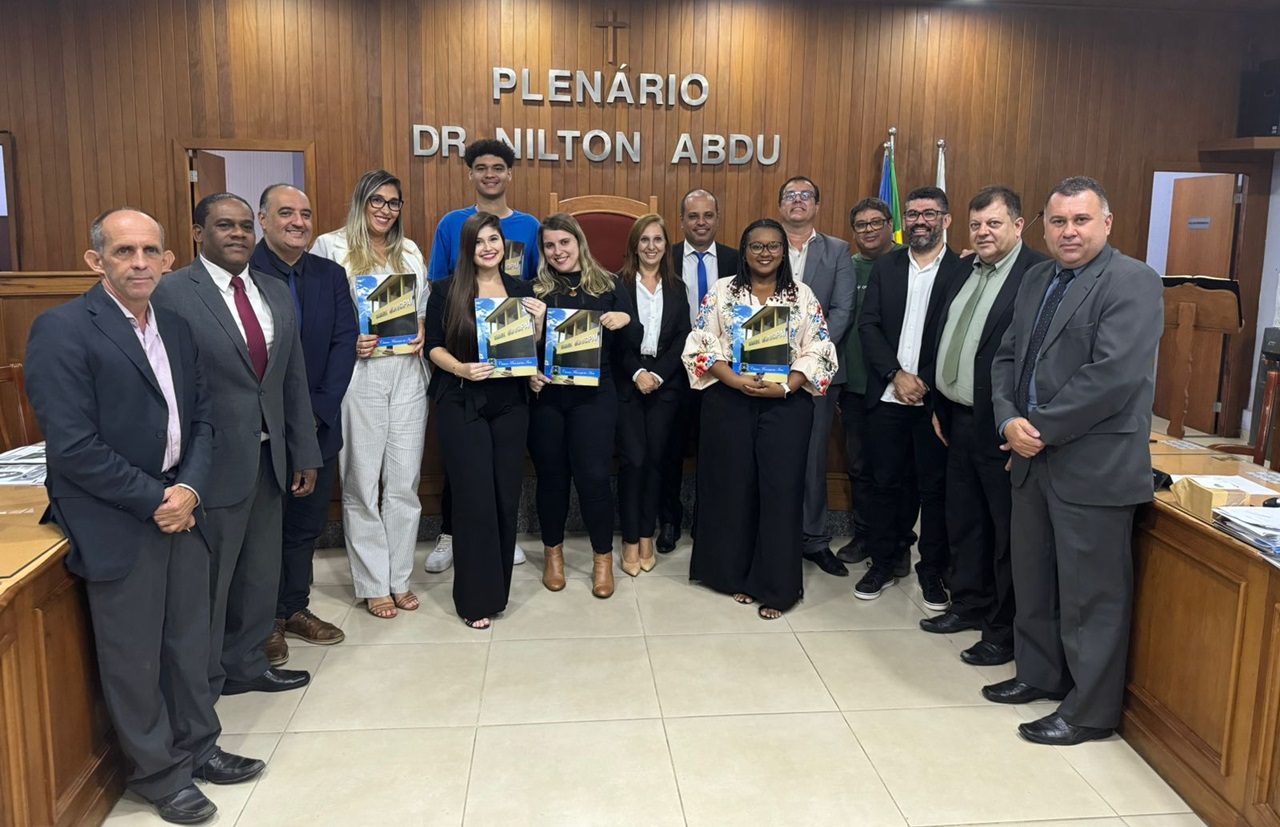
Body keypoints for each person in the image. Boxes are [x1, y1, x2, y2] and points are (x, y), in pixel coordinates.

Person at [26, 208, 265, 825]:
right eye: (124, 251)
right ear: (96, 260)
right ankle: (160, 774)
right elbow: (73, 447)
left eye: (150, 251)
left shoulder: (175, 327)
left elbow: (204, 419)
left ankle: (200, 747)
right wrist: (154, 499)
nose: (139, 263)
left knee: (189, 641)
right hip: (117, 516)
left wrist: (187, 489)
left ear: (167, 258)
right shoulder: (62, 329)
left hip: (180, 506)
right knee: (134, 655)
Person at [982, 177, 1162, 746]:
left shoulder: (1133, 281)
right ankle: (1039, 674)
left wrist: (1038, 429)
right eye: (1058, 221)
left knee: (1091, 594)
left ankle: (1089, 711)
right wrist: (1008, 420)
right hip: (1031, 457)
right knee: (1034, 577)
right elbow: (1007, 357)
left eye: (1081, 220)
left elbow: (1112, 375)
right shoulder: (1038, 278)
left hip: (1093, 462)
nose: (1069, 232)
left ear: (1106, 223)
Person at [153, 193, 321, 699]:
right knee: (210, 581)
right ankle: (201, 684)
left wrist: (304, 450)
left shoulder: (273, 290)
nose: (238, 234)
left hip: (270, 458)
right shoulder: (172, 292)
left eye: (246, 226)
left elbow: (291, 377)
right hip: (208, 465)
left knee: (259, 573)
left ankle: (247, 664)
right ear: (198, 233)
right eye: (225, 225)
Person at [682, 218, 838, 619]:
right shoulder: (723, 291)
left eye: (773, 246)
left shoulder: (801, 295)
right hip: (729, 401)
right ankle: (734, 574)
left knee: (780, 491)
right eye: (756, 246)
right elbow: (701, 343)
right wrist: (733, 380)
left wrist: (787, 386)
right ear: (744, 251)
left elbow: (820, 349)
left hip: (786, 405)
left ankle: (776, 586)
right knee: (733, 488)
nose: (764, 253)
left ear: (783, 252)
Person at [923, 186, 1047, 667]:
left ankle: (1002, 629)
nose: (983, 233)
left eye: (994, 224)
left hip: (1002, 424)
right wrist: (938, 402)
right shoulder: (963, 270)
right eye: (976, 225)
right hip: (957, 417)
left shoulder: (1036, 275)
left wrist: (1021, 422)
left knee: (1005, 531)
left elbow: (1036, 359)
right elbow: (943, 334)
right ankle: (969, 604)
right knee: (965, 519)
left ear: (1018, 225)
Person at [312, 169, 429, 619]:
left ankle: (399, 577)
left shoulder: (410, 250)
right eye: (377, 200)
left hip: (408, 372)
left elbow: (421, 309)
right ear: (361, 201)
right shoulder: (330, 246)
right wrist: (348, 340)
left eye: (393, 202)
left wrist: (421, 328)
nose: (385, 209)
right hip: (359, 374)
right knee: (361, 481)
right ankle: (372, 582)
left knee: (404, 482)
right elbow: (317, 315)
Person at [250, 184, 358, 666]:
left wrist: (315, 414)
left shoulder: (329, 274)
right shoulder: (243, 274)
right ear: (263, 219)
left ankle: (294, 608)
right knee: (264, 528)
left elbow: (344, 342)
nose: (298, 222)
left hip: (318, 426)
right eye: (286, 213)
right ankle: (264, 621)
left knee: (305, 525)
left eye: (306, 214)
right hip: (261, 432)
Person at [426, 137, 541, 573]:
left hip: (510, 372)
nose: (490, 174)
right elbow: (440, 287)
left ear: (510, 174)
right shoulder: (452, 224)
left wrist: (532, 348)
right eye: (482, 167)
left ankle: (501, 536)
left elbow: (533, 289)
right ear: (470, 174)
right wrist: (458, 362)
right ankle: (452, 532)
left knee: (500, 470)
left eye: (498, 167)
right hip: (463, 367)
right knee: (464, 467)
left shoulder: (529, 227)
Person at [855, 186, 966, 607]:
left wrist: (924, 383)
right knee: (884, 484)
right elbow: (869, 325)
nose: (920, 221)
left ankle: (931, 572)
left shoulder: (963, 271)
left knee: (934, 491)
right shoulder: (887, 266)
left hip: (935, 404)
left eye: (929, 213)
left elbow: (961, 337)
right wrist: (895, 374)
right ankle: (883, 563)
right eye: (914, 214)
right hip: (887, 396)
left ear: (945, 220)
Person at [527, 213, 634, 599]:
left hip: (595, 398)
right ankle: (553, 556)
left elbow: (632, 342)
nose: (558, 251)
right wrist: (530, 371)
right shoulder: (533, 291)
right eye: (550, 245)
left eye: (564, 242)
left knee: (594, 479)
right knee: (551, 479)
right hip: (548, 399)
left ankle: (602, 560)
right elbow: (519, 349)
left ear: (579, 242)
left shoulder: (609, 284)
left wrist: (625, 318)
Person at [777, 176, 856, 577]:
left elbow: (842, 310)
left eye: (805, 195)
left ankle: (814, 539)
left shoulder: (838, 250)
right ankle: (774, 536)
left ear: (817, 206)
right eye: (790, 195)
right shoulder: (765, 243)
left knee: (812, 458)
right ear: (780, 206)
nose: (798, 200)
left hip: (818, 375)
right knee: (770, 453)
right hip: (767, 369)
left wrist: (807, 357)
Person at [836, 197, 916, 571]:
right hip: (854, 385)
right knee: (860, 466)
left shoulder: (909, 262)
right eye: (860, 225)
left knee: (898, 470)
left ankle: (898, 543)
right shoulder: (847, 267)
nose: (868, 230)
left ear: (890, 225)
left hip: (897, 386)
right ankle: (865, 535)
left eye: (875, 222)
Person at [658, 189, 740, 553]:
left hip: (721, 372)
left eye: (708, 215)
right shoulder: (665, 258)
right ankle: (669, 520)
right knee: (670, 449)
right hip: (674, 369)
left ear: (718, 218)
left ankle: (708, 521)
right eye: (693, 216)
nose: (701, 222)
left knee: (717, 451)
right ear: (681, 221)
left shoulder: (737, 260)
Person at [615, 214, 691, 575]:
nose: (650, 246)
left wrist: (658, 374)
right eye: (644, 239)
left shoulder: (677, 287)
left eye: (657, 239)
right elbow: (612, 339)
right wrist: (638, 373)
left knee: (657, 461)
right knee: (634, 461)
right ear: (634, 245)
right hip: (627, 383)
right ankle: (630, 538)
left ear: (666, 245)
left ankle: (648, 534)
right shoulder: (617, 285)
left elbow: (683, 337)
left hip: (666, 384)